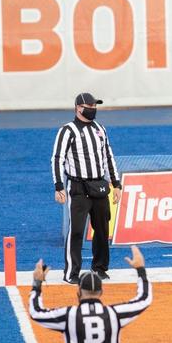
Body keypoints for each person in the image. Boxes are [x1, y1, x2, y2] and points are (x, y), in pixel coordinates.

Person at [51, 92, 122, 283]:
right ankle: (71, 273)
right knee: (76, 230)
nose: (93, 109)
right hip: (78, 187)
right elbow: (58, 159)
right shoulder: (68, 130)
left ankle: (99, 268)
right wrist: (59, 186)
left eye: (95, 106)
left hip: (98, 185)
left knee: (102, 229)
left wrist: (116, 184)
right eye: (89, 107)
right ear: (78, 108)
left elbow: (108, 157)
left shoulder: (100, 129)